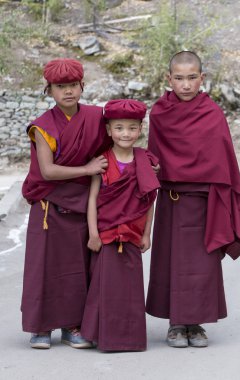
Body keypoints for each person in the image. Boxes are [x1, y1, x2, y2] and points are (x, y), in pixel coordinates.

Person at [146, 51, 240, 348]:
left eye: (192, 78)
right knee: (171, 261)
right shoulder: (161, 112)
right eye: (179, 78)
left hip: (205, 202)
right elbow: (155, 159)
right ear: (169, 79)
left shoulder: (212, 113)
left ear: (202, 79)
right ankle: (176, 323)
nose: (186, 85)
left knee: (201, 263)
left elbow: (223, 160)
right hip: (171, 200)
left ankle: (197, 324)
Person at [21, 58, 112, 349]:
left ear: (82, 86)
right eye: (61, 87)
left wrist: (147, 163)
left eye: (73, 85)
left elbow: (121, 138)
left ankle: (73, 326)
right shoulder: (42, 126)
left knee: (77, 267)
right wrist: (87, 169)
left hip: (83, 205)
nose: (68, 92)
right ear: (49, 90)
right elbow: (48, 171)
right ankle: (41, 327)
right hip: (49, 204)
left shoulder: (97, 118)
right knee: (44, 267)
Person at [81, 99, 160, 351]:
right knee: (103, 286)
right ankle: (96, 334)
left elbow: (148, 200)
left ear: (140, 129)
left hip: (133, 235)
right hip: (105, 234)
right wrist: (93, 233)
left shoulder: (145, 160)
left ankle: (130, 338)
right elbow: (93, 199)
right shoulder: (101, 161)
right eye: (119, 128)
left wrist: (147, 233)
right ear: (108, 130)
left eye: (132, 127)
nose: (125, 133)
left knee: (131, 288)